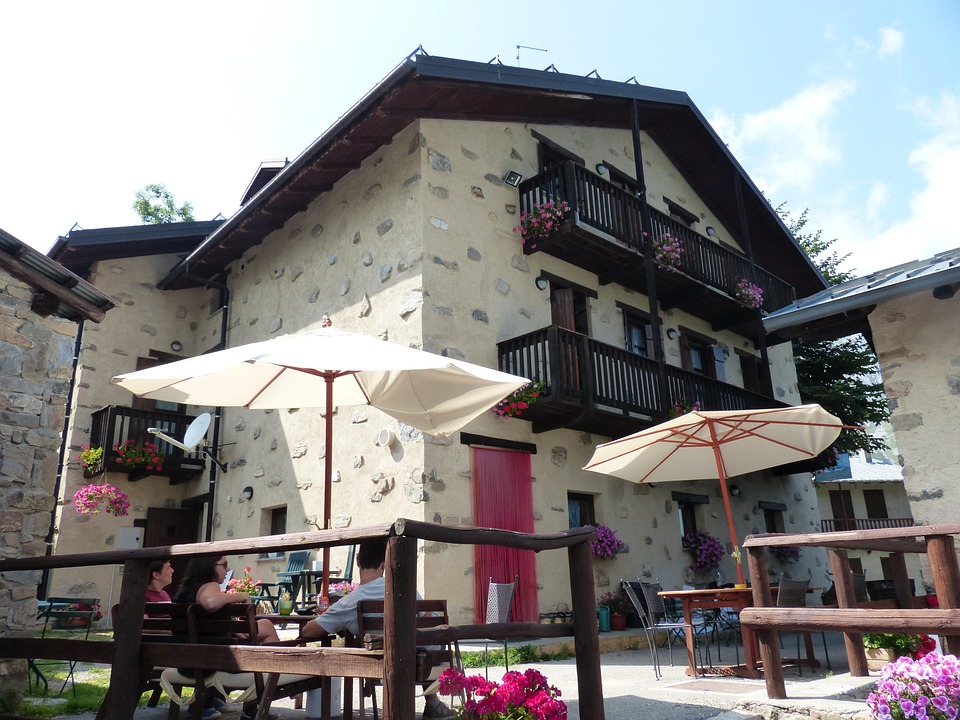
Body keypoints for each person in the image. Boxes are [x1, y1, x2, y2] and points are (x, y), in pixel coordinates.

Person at [301, 541, 456, 719]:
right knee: (423, 635)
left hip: (382, 665)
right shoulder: (404, 588)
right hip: (423, 662)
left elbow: (308, 632)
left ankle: (428, 702)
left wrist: (333, 617)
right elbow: (428, 619)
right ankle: (433, 703)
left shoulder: (350, 602)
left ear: (357, 561)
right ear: (384, 564)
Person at [173, 555, 280, 719]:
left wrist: (233, 629)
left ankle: (212, 699)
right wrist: (241, 595)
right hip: (214, 662)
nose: (228, 569)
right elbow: (210, 603)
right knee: (266, 626)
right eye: (224, 564)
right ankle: (267, 688)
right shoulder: (210, 585)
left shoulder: (184, 591)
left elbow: (204, 623)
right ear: (210, 566)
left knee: (263, 626)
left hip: (186, 661)